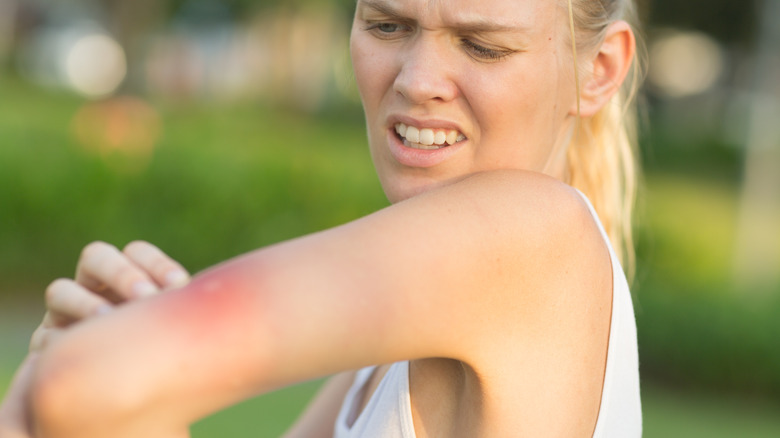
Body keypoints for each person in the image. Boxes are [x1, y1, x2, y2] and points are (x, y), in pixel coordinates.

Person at [0, 0, 643, 436]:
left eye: (482, 46)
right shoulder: (391, 347)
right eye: (388, 26)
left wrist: (81, 371)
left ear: (600, 70)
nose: (418, 80)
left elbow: (77, 384)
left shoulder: (530, 232)